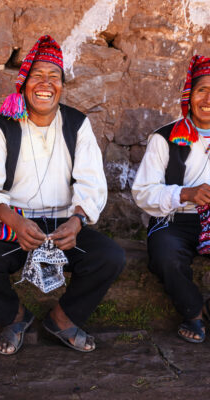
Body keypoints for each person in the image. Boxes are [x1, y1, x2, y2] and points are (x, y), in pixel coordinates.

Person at [0, 35, 125, 355]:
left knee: (109, 257)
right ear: (23, 84)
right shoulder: (4, 127)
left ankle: (62, 319)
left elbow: (91, 183)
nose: (46, 83)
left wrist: (77, 221)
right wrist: (14, 221)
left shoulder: (76, 124)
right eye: (37, 75)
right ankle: (15, 318)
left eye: (54, 76)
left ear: (62, 86)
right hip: (16, 226)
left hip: (63, 225)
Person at [132, 55, 210, 344]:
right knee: (166, 254)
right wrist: (184, 194)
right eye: (202, 89)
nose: (207, 98)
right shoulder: (164, 138)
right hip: (175, 219)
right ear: (190, 94)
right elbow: (142, 192)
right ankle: (193, 312)